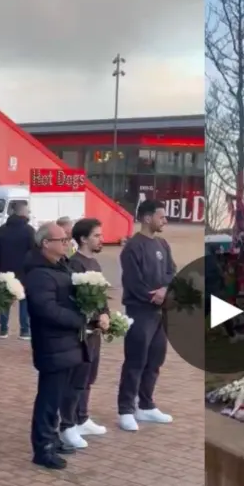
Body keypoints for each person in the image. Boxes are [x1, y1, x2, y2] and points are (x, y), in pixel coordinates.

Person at [24, 222, 89, 469]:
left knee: (59, 395)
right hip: (52, 344)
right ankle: (43, 448)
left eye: (67, 239)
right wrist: (81, 320)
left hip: (67, 343)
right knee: (49, 398)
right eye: (62, 240)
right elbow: (47, 309)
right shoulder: (39, 273)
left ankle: (52, 438)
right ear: (45, 243)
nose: (67, 243)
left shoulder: (61, 266)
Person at [116, 200, 175, 432]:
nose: (165, 221)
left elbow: (172, 271)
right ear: (148, 218)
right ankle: (125, 410)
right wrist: (153, 296)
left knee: (155, 359)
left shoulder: (162, 244)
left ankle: (146, 405)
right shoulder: (133, 247)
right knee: (135, 360)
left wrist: (165, 290)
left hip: (160, 312)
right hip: (140, 311)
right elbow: (133, 281)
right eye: (161, 217)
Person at [61, 218, 109, 448]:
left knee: (89, 376)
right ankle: (68, 423)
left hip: (95, 331)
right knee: (76, 379)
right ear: (83, 239)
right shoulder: (74, 264)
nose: (101, 239)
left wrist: (106, 314)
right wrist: (93, 317)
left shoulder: (95, 263)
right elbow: (76, 300)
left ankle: (82, 417)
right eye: (97, 236)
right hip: (81, 332)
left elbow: (101, 297)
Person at [0, 201, 34, 339]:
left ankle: (3, 329)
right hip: (24, 271)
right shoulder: (29, 230)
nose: (29, 213)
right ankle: (25, 330)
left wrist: (1, 267)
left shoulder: (3, 229)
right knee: (24, 300)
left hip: (5, 270)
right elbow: (34, 251)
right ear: (22, 212)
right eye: (27, 210)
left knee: (4, 300)